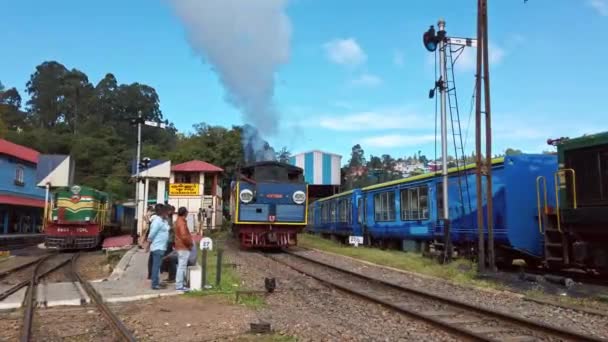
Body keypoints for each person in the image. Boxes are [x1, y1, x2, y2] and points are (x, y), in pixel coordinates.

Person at [147, 205, 170, 290]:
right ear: (161, 212)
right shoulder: (157, 221)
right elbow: (151, 234)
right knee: (156, 266)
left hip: (161, 247)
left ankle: (156, 282)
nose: (167, 213)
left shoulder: (163, 221)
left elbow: (167, 228)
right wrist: (148, 244)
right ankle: (154, 284)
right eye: (165, 212)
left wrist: (166, 219)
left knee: (158, 266)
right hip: (157, 247)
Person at [174, 207, 193, 291]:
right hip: (183, 247)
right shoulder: (182, 223)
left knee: (181, 266)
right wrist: (190, 244)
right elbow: (184, 236)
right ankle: (179, 285)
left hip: (179, 246)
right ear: (185, 213)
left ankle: (182, 283)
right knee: (182, 266)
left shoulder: (177, 221)